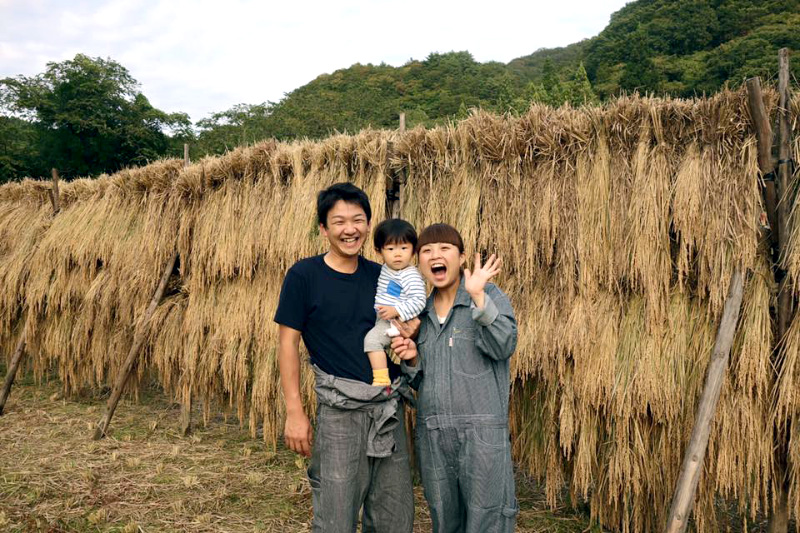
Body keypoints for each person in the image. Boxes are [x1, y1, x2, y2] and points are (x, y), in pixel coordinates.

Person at [274, 183, 414, 532]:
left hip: (387, 410)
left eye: (357, 220)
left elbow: (406, 320)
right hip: (339, 412)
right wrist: (295, 412)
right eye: (338, 222)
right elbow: (287, 344)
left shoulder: (383, 276)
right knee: (336, 517)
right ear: (324, 229)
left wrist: (408, 335)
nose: (349, 229)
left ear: (368, 225)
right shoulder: (303, 276)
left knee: (394, 516)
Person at [391, 223, 519, 533]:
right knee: (445, 521)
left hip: (482, 435)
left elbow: (504, 345)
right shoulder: (419, 314)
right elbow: (421, 384)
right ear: (419, 262)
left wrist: (478, 297)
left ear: (461, 257)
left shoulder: (486, 294)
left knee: (487, 521)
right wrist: (411, 359)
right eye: (427, 251)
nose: (436, 255)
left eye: (445, 248)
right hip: (434, 435)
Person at [364, 219, 426, 386]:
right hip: (385, 317)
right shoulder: (387, 269)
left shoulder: (409, 275)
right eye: (390, 249)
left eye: (404, 248)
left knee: (372, 341)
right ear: (379, 252)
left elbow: (419, 301)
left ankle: (381, 380)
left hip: (396, 321)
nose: (397, 254)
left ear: (413, 251)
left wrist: (396, 310)